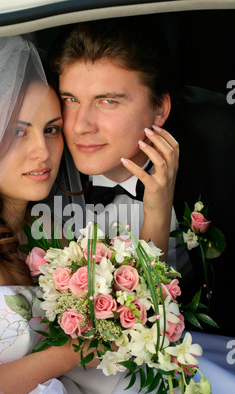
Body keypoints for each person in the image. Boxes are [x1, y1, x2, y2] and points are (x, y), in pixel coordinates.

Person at [0, 35, 235, 394]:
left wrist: (156, 210)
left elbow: (137, 302)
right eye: (16, 132)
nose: (43, 151)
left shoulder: (34, 230)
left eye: (50, 129)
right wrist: (77, 349)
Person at [48, 18, 180, 269]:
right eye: (71, 99)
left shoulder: (214, 174)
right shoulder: (39, 185)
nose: (80, 126)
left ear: (160, 108)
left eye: (107, 101)